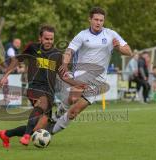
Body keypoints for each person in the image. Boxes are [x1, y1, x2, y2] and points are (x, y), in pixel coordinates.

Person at [0, 25, 85, 148]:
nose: (49, 41)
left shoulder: (57, 55)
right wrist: (5, 75)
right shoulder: (32, 48)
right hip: (35, 88)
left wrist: (78, 84)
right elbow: (18, 59)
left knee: (39, 128)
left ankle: (6, 134)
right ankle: (26, 136)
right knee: (42, 103)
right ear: (40, 38)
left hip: (49, 93)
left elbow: (64, 76)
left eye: (51, 39)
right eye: (46, 38)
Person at [53, 6, 133, 134]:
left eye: (101, 20)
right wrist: (64, 63)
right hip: (82, 73)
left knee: (74, 112)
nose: (98, 23)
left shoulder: (111, 34)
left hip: (98, 80)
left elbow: (129, 51)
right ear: (90, 19)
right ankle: (56, 115)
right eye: (96, 19)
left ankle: (49, 132)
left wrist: (119, 48)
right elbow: (69, 51)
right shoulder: (82, 35)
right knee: (73, 99)